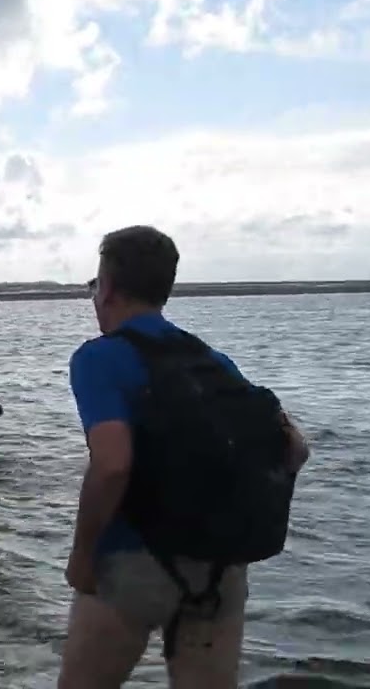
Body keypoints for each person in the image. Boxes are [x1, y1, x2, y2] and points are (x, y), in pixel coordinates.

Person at [58, 225, 311, 688]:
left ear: (109, 287)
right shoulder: (212, 359)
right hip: (220, 568)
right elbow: (295, 448)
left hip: (132, 563)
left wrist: (82, 555)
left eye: (95, 285)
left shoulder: (98, 358)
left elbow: (113, 464)